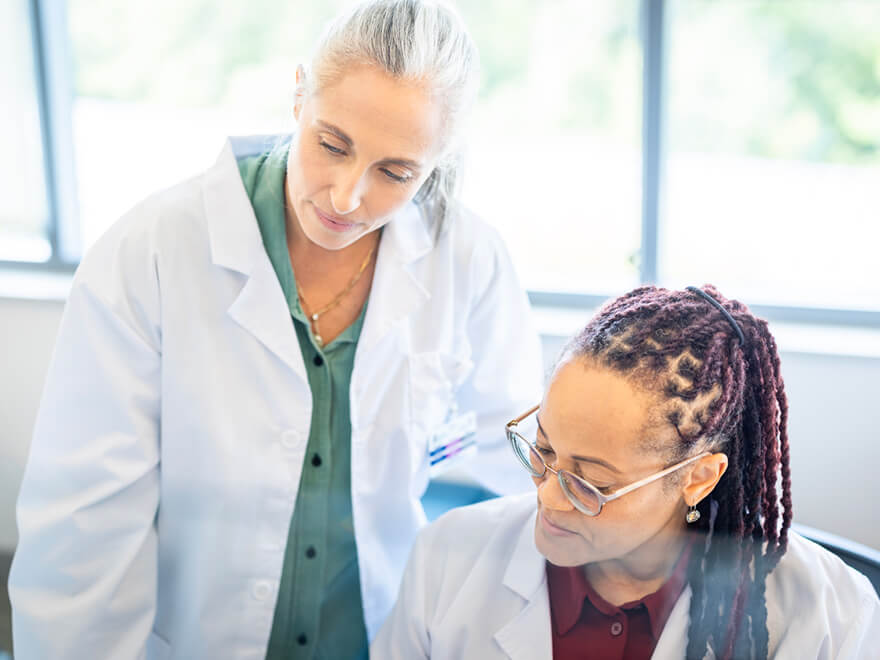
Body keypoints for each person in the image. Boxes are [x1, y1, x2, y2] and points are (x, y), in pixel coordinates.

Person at [8, 1, 543, 658]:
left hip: (380, 635)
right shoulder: (151, 251)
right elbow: (83, 530)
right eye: (331, 145)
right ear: (298, 94)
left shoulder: (469, 261)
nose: (347, 196)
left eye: (395, 172)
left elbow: (515, 469)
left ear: (437, 163)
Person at [372, 285, 880, 659]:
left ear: (698, 478)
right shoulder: (448, 557)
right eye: (543, 449)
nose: (548, 498)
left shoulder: (827, 614)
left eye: (590, 483)